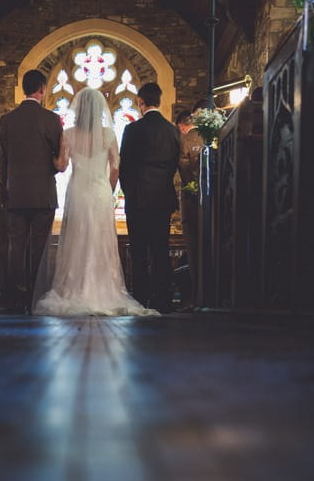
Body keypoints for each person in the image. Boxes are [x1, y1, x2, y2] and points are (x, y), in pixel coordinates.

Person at [32, 87, 158, 317]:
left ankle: (74, 289)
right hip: (100, 192)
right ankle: (103, 289)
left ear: (78, 108)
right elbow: (116, 169)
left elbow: (61, 165)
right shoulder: (109, 135)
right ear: (100, 109)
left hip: (78, 189)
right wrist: (106, 190)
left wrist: (47, 157)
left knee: (77, 239)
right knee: (100, 241)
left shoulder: (68, 133)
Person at [0, 69, 63, 312]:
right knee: (39, 249)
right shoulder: (51, 120)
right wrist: (51, 169)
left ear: (25, 89)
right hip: (43, 195)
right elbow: (58, 159)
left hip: (15, 194)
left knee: (16, 247)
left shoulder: (7, 120)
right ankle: (35, 299)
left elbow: (3, 161)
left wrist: (8, 188)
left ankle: (14, 299)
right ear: (42, 90)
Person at [119, 81, 180, 313]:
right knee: (160, 250)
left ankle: (141, 299)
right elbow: (174, 164)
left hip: (137, 199)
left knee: (139, 252)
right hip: (162, 198)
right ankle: (163, 301)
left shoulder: (132, 130)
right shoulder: (172, 130)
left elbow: (124, 168)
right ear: (160, 101)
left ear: (140, 103)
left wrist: (130, 192)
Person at [175, 108, 203, 310]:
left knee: (194, 252)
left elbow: (184, 168)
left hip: (192, 203)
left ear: (182, 126)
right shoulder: (212, 136)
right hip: (215, 205)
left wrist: (192, 187)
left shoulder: (185, 140)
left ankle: (195, 298)